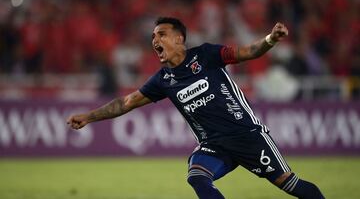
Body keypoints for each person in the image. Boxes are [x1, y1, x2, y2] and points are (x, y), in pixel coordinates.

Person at [67, 17, 325, 199]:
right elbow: (126, 102)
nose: (154, 39)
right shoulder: (162, 80)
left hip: (247, 136)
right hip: (213, 144)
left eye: (161, 34)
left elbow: (248, 52)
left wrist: (270, 39)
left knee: (290, 185)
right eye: (153, 36)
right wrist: (89, 116)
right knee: (197, 176)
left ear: (179, 39)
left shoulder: (206, 55)